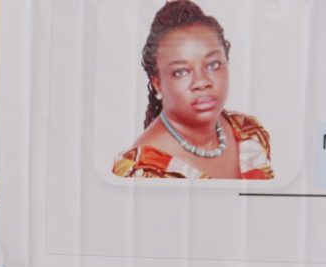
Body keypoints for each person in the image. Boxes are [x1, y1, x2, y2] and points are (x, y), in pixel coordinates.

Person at [112, 0, 273, 179]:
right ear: (157, 84)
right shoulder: (141, 172)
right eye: (181, 72)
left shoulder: (249, 133)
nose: (202, 82)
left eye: (213, 65)